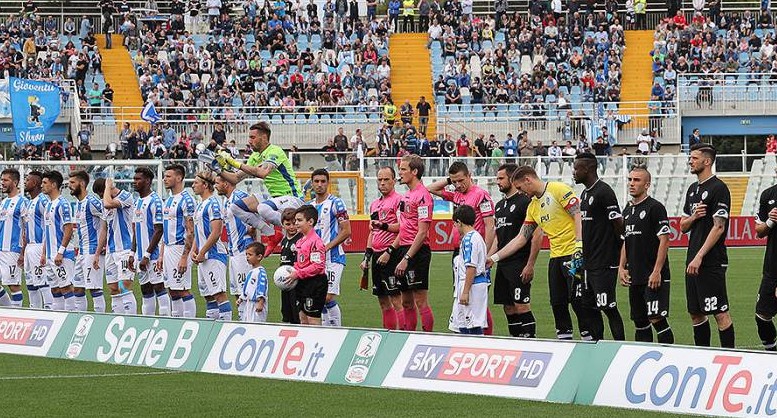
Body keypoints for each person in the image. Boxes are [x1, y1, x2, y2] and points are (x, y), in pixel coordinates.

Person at [487, 166, 593, 341]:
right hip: (555, 257)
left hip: (573, 254)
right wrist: (494, 258)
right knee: (557, 303)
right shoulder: (533, 207)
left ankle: (589, 341)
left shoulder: (558, 189)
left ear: (528, 180)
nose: (520, 193)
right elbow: (521, 238)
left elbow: (577, 215)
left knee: (578, 301)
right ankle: (564, 340)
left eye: (521, 188)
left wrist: (579, 245)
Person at [427, 161, 496, 334]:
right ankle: (468, 335)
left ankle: (486, 338)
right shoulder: (456, 194)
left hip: (475, 253)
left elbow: (489, 226)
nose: (458, 185)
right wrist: (449, 181)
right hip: (460, 251)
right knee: (463, 296)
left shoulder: (481, 195)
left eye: (460, 180)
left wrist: (485, 254)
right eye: (454, 181)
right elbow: (430, 188)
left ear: (469, 175)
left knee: (478, 299)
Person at [680, 143, 735, 348]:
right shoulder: (692, 190)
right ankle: (702, 355)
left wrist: (700, 256)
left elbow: (719, 227)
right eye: (690, 158)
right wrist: (694, 216)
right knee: (696, 313)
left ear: (707, 161)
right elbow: (683, 226)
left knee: (719, 312)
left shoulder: (718, 188)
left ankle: (729, 357)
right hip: (692, 258)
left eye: (694, 158)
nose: (690, 161)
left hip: (710, 260)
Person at [217, 122, 303, 242]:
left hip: (292, 197)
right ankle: (272, 235)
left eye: (252, 137)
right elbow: (235, 178)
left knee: (263, 208)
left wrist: (233, 162)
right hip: (275, 198)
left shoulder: (275, 151)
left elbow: (262, 173)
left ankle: (299, 228)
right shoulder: (255, 156)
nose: (249, 141)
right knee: (235, 207)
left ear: (263, 138)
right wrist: (217, 169)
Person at [379, 155, 435, 332]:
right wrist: (384, 226)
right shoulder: (406, 197)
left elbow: (423, 231)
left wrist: (407, 257)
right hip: (403, 249)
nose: (400, 173)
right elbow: (402, 227)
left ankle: (427, 338)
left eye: (403, 169)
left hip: (417, 251)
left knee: (420, 300)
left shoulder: (423, 196)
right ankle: (407, 337)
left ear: (415, 171)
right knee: (406, 302)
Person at [573, 153, 626, 341]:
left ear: (587, 169)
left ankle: (619, 348)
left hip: (604, 263)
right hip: (589, 263)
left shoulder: (604, 192)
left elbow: (619, 225)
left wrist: (618, 254)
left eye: (576, 168)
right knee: (589, 307)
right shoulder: (585, 194)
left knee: (608, 307)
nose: (574, 172)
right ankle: (598, 345)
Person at [620, 167, 674, 343]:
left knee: (656, 318)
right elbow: (625, 242)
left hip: (653, 275)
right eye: (630, 179)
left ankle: (667, 357)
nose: (631, 183)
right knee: (640, 322)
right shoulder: (627, 211)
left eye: (636, 180)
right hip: (635, 275)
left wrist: (657, 271)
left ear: (647, 184)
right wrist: (621, 267)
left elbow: (664, 240)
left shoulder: (655, 207)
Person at [493, 164, 542, 338]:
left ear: (512, 179)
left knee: (521, 304)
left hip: (519, 263)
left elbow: (536, 235)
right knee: (508, 306)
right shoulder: (499, 206)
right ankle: (516, 341)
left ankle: (530, 341)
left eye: (501, 178)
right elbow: (498, 238)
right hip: (503, 263)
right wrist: (490, 259)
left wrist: (530, 264)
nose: (497, 182)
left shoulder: (525, 202)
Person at [362, 166, 404, 330]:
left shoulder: (399, 201)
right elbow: (372, 232)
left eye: (386, 179)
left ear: (394, 181)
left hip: (392, 254)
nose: (383, 183)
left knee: (396, 299)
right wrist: (366, 257)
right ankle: (389, 334)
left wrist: (389, 252)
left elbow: (403, 228)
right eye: (380, 179)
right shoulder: (374, 204)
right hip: (376, 256)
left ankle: (402, 336)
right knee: (383, 300)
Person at [308, 168, 351, 326]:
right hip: (314, 260)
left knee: (327, 297)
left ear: (328, 183)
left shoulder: (336, 203)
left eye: (323, 181)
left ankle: (336, 330)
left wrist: (327, 247)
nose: (319, 185)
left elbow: (346, 231)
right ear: (312, 184)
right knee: (318, 298)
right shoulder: (309, 207)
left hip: (333, 257)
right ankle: (327, 330)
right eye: (316, 181)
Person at [191, 171, 232, 320]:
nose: (193, 185)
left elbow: (216, 232)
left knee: (219, 294)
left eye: (196, 182)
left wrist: (202, 252)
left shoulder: (213, 203)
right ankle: (211, 328)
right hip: (203, 256)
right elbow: (199, 231)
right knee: (208, 295)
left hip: (213, 255)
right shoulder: (200, 205)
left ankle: (224, 328)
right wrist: (194, 250)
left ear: (205, 185)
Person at [158, 164, 197, 318]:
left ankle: (189, 322)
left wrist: (184, 257)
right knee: (172, 289)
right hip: (168, 249)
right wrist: (161, 254)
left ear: (179, 178)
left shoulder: (187, 200)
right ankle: (176, 322)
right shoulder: (167, 200)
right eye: (164, 176)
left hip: (179, 248)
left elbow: (191, 231)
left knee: (182, 288)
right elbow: (164, 230)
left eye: (168, 176)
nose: (164, 179)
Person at [95, 177, 137, 315]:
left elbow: (108, 203)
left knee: (124, 286)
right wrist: (97, 253)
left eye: (101, 194)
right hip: (111, 251)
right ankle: (117, 317)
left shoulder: (125, 196)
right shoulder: (104, 201)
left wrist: (108, 187)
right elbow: (104, 229)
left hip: (125, 249)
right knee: (113, 288)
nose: (101, 197)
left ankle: (130, 320)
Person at [215, 174, 254, 318]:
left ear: (226, 183)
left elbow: (256, 214)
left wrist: (250, 232)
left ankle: (250, 322)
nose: (215, 186)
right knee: (238, 291)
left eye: (218, 183)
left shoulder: (240, 196)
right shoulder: (227, 201)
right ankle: (242, 318)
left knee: (246, 291)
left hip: (243, 249)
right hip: (233, 251)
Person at [131, 167, 169, 316]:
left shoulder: (155, 201)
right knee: (145, 289)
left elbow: (159, 230)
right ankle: (148, 321)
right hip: (141, 255)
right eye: (134, 179)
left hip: (153, 256)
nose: (134, 182)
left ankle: (166, 321)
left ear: (147, 181)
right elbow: (136, 230)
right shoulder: (138, 202)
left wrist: (147, 255)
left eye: (138, 179)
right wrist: (132, 253)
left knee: (159, 287)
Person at [68, 170, 105, 313]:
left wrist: (101, 247)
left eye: (72, 182)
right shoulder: (78, 204)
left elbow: (107, 222)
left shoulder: (92, 202)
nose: (69, 186)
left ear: (82, 183)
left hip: (93, 250)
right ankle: (80, 319)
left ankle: (99, 321)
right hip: (82, 252)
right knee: (77, 288)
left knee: (94, 289)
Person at [449, 205, 489, 335]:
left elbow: (471, 267)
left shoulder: (469, 239)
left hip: (472, 285)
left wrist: (465, 291)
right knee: (463, 322)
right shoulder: (476, 237)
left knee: (473, 323)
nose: (455, 227)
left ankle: (476, 351)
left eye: (455, 224)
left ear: (459, 222)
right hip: (471, 283)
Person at [286, 205, 328, 326]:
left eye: (299, 220)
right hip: (302, 282)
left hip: (315, 283)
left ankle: (318, 343)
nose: (296, 224)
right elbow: (299, 262)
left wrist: (298, 273)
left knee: (313, 320)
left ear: (310, 222)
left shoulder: (316, 242)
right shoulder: (300, 241)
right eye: (295, 221)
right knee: (303, 319)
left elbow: (318, 266)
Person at [41, 171, 77, 311]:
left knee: (66, 286)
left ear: (54, 184)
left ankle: (72, 319)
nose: (42, 185)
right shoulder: (49, 205)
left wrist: (60, 252)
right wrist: (44, 253)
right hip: (50, 255)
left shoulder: (63, 204)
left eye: (45, 183)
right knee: (55, 289)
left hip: (62, 255)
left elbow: (68, 229)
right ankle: (59, 319)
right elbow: (47, 232)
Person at [755, 168, 777, 351]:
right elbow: (759, 231)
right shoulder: (768, 195)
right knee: (762, 315)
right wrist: (770, 221)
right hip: (771, 268)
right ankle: (771, 353)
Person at [0, 169, 28, 308]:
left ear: (15, 182)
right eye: (2, 180)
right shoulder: (3, 202)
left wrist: (23, 252)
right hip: (1, 248)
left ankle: (16, 313)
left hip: (13, 250)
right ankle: (9, 311)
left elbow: (27, 228)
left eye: (5, 180)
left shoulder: (23, 202)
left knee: (13, 285)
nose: (2, 183)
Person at [277, 208, 301, 323]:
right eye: (288, 224)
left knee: (296, 311)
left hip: (296, 282)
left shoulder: (300, 240)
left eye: (294, 223)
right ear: (282, 224)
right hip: (285, 283)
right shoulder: (284, 241)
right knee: (286, 311)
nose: (292, 227)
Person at [238, 241, 269, 323]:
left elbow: (262, 287)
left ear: (259, 257)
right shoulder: (251, 271)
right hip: (248, 304)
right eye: (246, 254)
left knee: (256, 325)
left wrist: (261, 302)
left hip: (256, 304)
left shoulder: (261, 272)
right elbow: (246, 286)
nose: (247, 257)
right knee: (247, 323)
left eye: (250, 255)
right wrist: (241, 297)